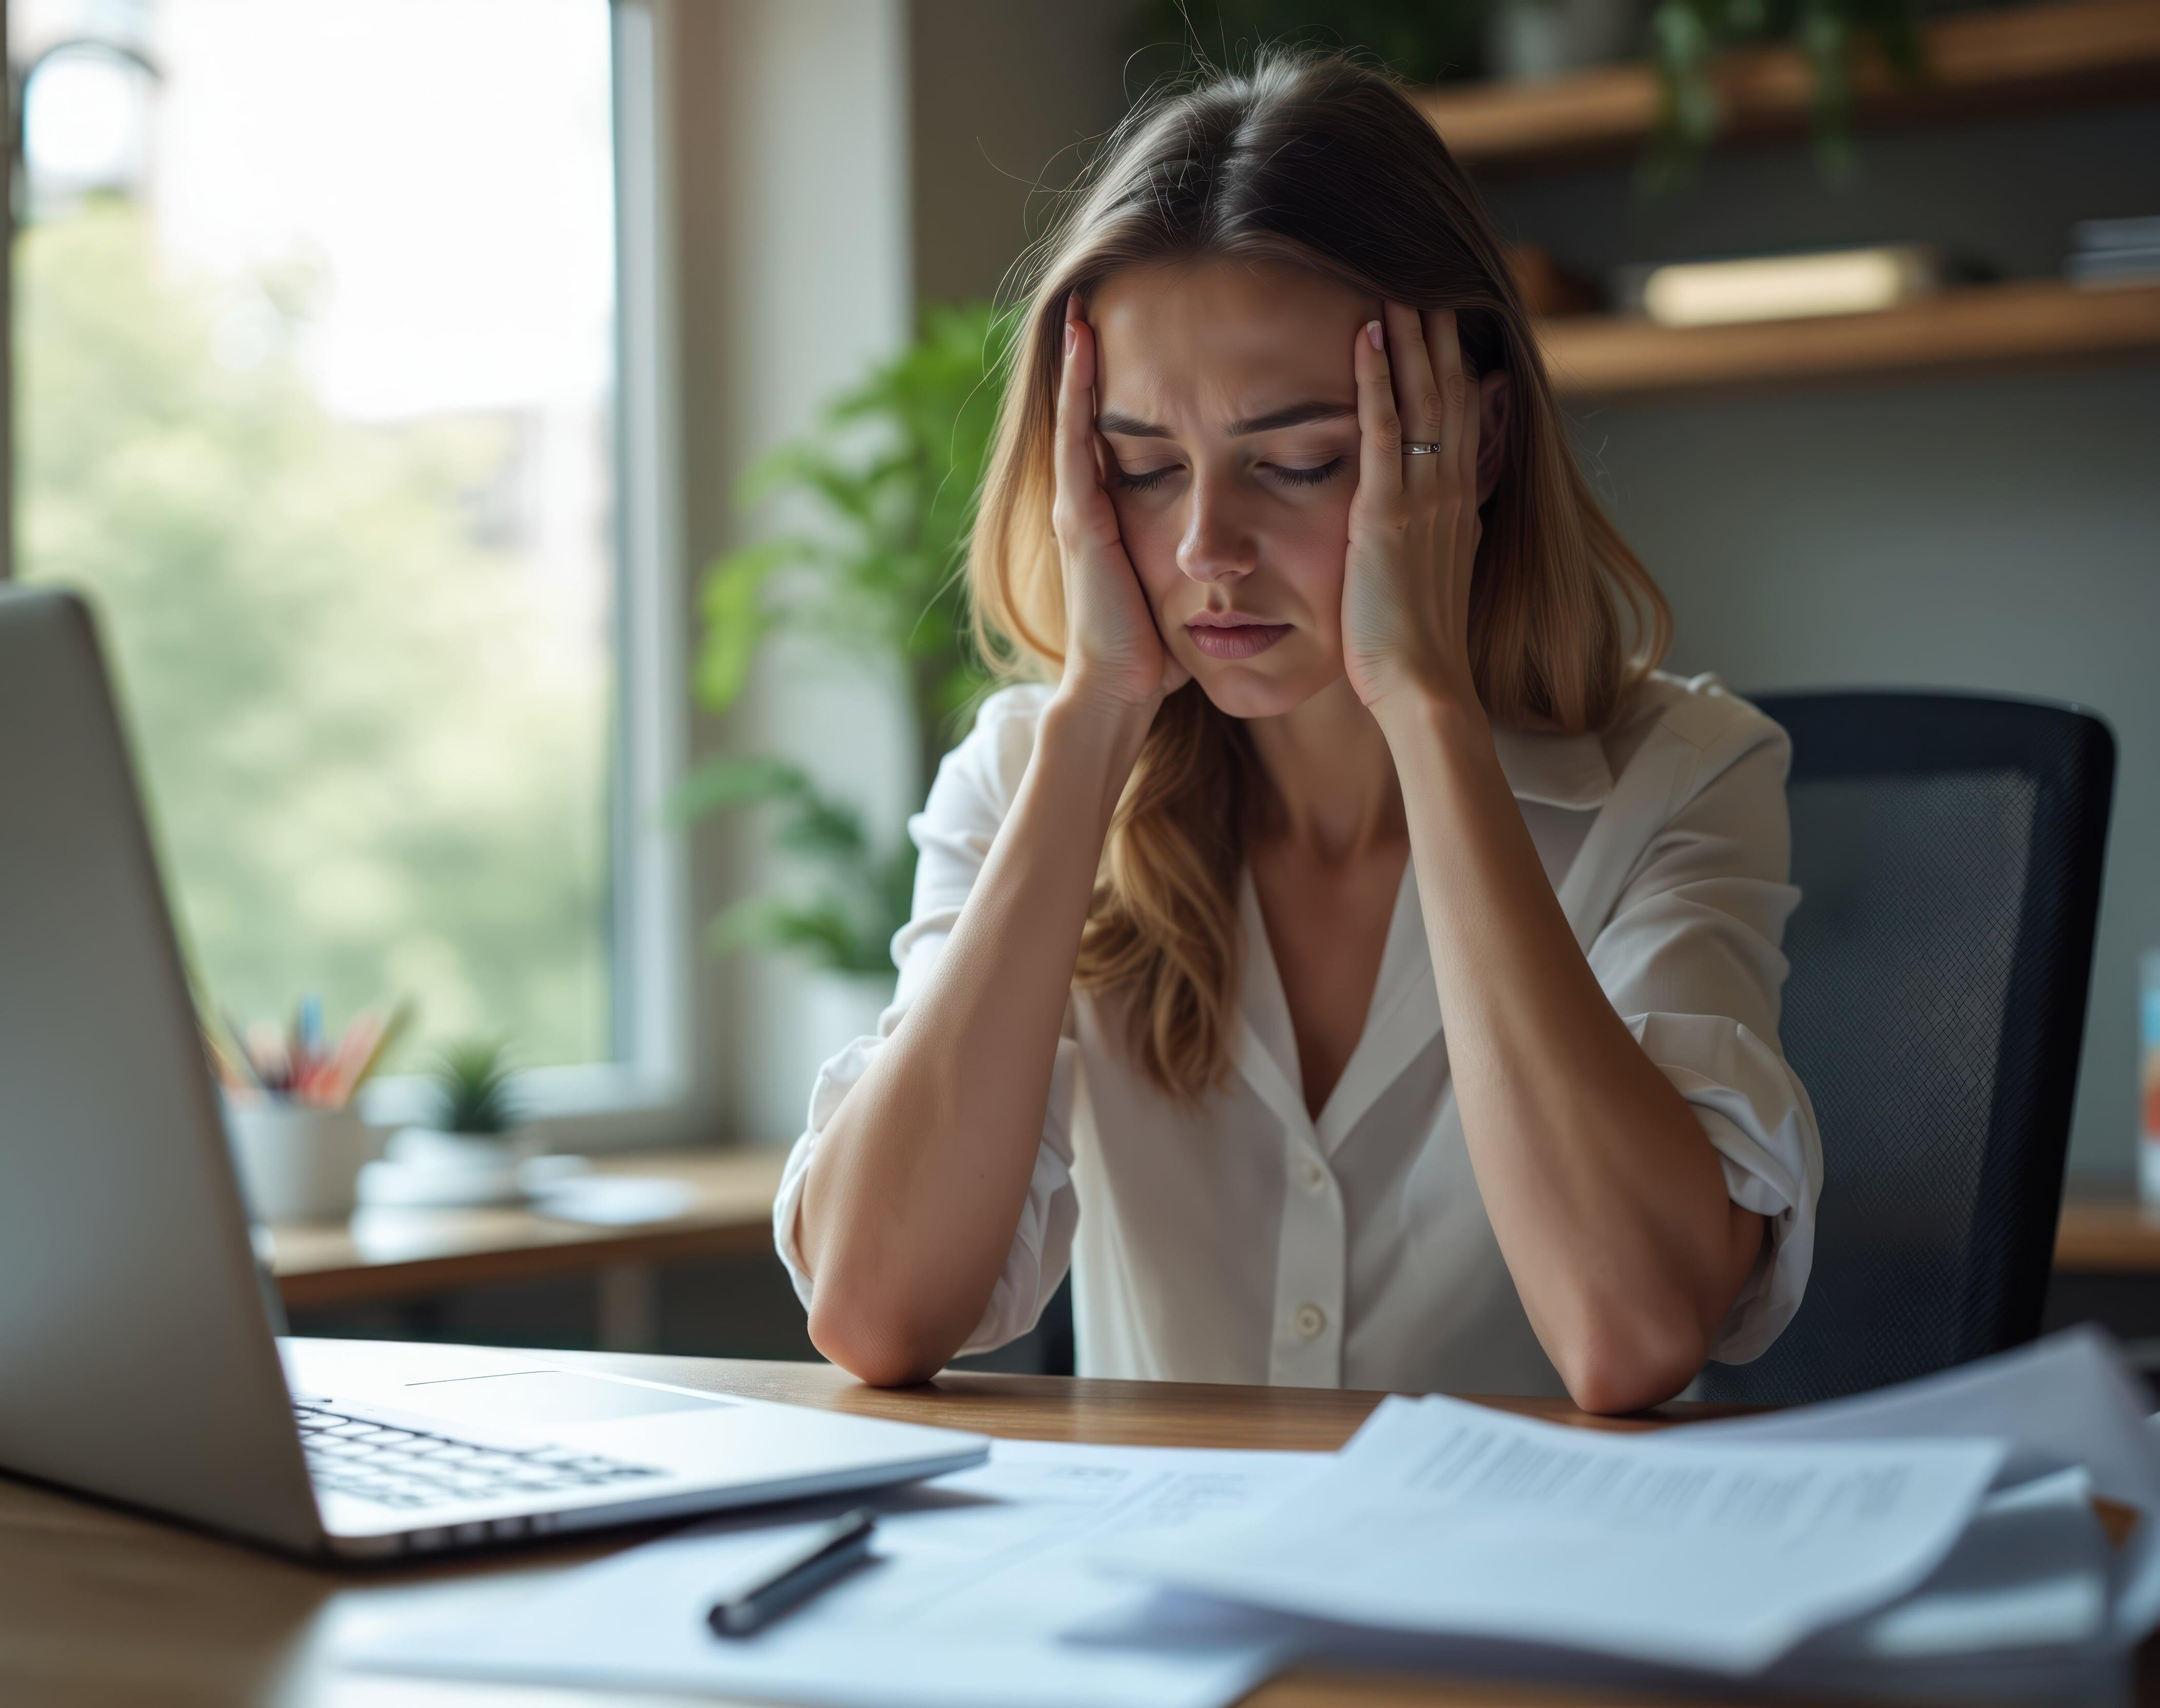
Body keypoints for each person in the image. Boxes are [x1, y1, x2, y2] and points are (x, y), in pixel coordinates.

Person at [771, 51, 1822, 1413]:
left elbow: (1631, 1334)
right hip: (1168, 1607)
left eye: (1300, 459)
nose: (1206, 546)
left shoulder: (1683, 782)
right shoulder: (1033, 779)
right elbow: (874, 1308)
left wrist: (1426, 703)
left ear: (1476, 443)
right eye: (1144, 468)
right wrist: (1095, 714)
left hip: (1529, 1610)